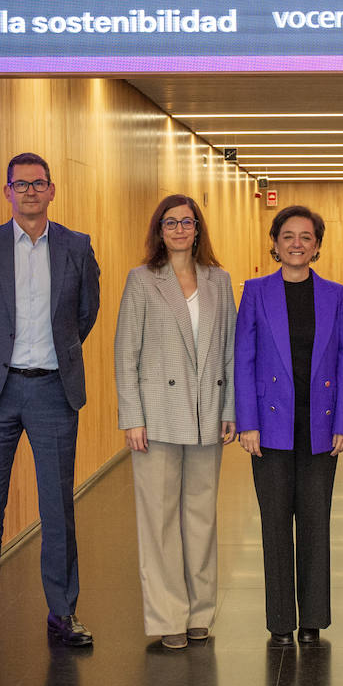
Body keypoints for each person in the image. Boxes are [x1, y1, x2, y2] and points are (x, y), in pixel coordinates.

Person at [0, 151, 101, 661]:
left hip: (54, 392)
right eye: (21, 185)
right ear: (7, 192)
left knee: (57, 508)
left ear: (53, 190)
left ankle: (63, 611)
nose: (31, 192)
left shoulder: (77, 248)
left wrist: (52, 356)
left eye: (39, 184)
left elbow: (86, 314)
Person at [114, 195, 236, 651]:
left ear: (198, 229)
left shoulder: (219, 280)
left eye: (188, 222)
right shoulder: (143, 280)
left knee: (201, 519)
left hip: (207, 413)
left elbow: (229, 349)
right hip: (158, 418)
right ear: (159, 230)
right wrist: (132, 417)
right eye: (171, 222)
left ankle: (200, 612)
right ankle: (168, 615)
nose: (180, 229)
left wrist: (230, 410)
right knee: (159, 520)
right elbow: (126, 351)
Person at [235, 206, 343, 645]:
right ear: (275, 243)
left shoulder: (337, 295)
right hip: (270, 426)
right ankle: (281, 622)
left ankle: (313, 621)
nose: (297, 244)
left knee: (314, 521)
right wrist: (247, 422)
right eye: (288, 236)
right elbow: (243, 359)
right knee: (274, 524)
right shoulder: (255, 291)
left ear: (318, 246)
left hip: (321, 425)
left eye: (307, 237)